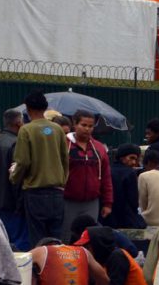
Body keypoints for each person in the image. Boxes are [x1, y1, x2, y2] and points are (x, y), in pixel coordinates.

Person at [11, 90, 70, 246]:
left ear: (28, 109)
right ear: (45, 108)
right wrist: (62, 181)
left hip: (35, 193)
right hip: (57, 193)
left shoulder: (26, 130)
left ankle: (41, 270)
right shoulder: (57, 129)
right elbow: (65, 159)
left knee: (38, 240)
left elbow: (23, 161)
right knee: (56, 239)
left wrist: (14, 177)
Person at [75, 227, 151, 285]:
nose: (85, 251)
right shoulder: (104, 259)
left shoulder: (117, 257)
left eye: (87, 247)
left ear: (97, 245)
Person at [63, 110, 113, 242]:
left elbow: (106, 177)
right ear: (75, 124)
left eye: (90, 126)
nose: (87, 129)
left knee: (89, 237)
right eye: (83, 125)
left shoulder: (99, 148)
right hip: (68, 201)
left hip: (92, 202)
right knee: (67, 235)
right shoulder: (63, 144)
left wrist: (108, 203)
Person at [0, 108, 28, 250]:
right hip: (12, 204)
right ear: (19, 122)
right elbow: (16, 176)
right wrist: (20, 203)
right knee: (18, 246)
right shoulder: (16, 144)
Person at [105, 144, 146, 229]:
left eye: (136, 159)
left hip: (108, 218)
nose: (134, 162)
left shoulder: (108, 170)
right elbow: (133, 201)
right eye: (131, 158)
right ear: (122, 157)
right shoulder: (129, 173)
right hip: (125, 219)